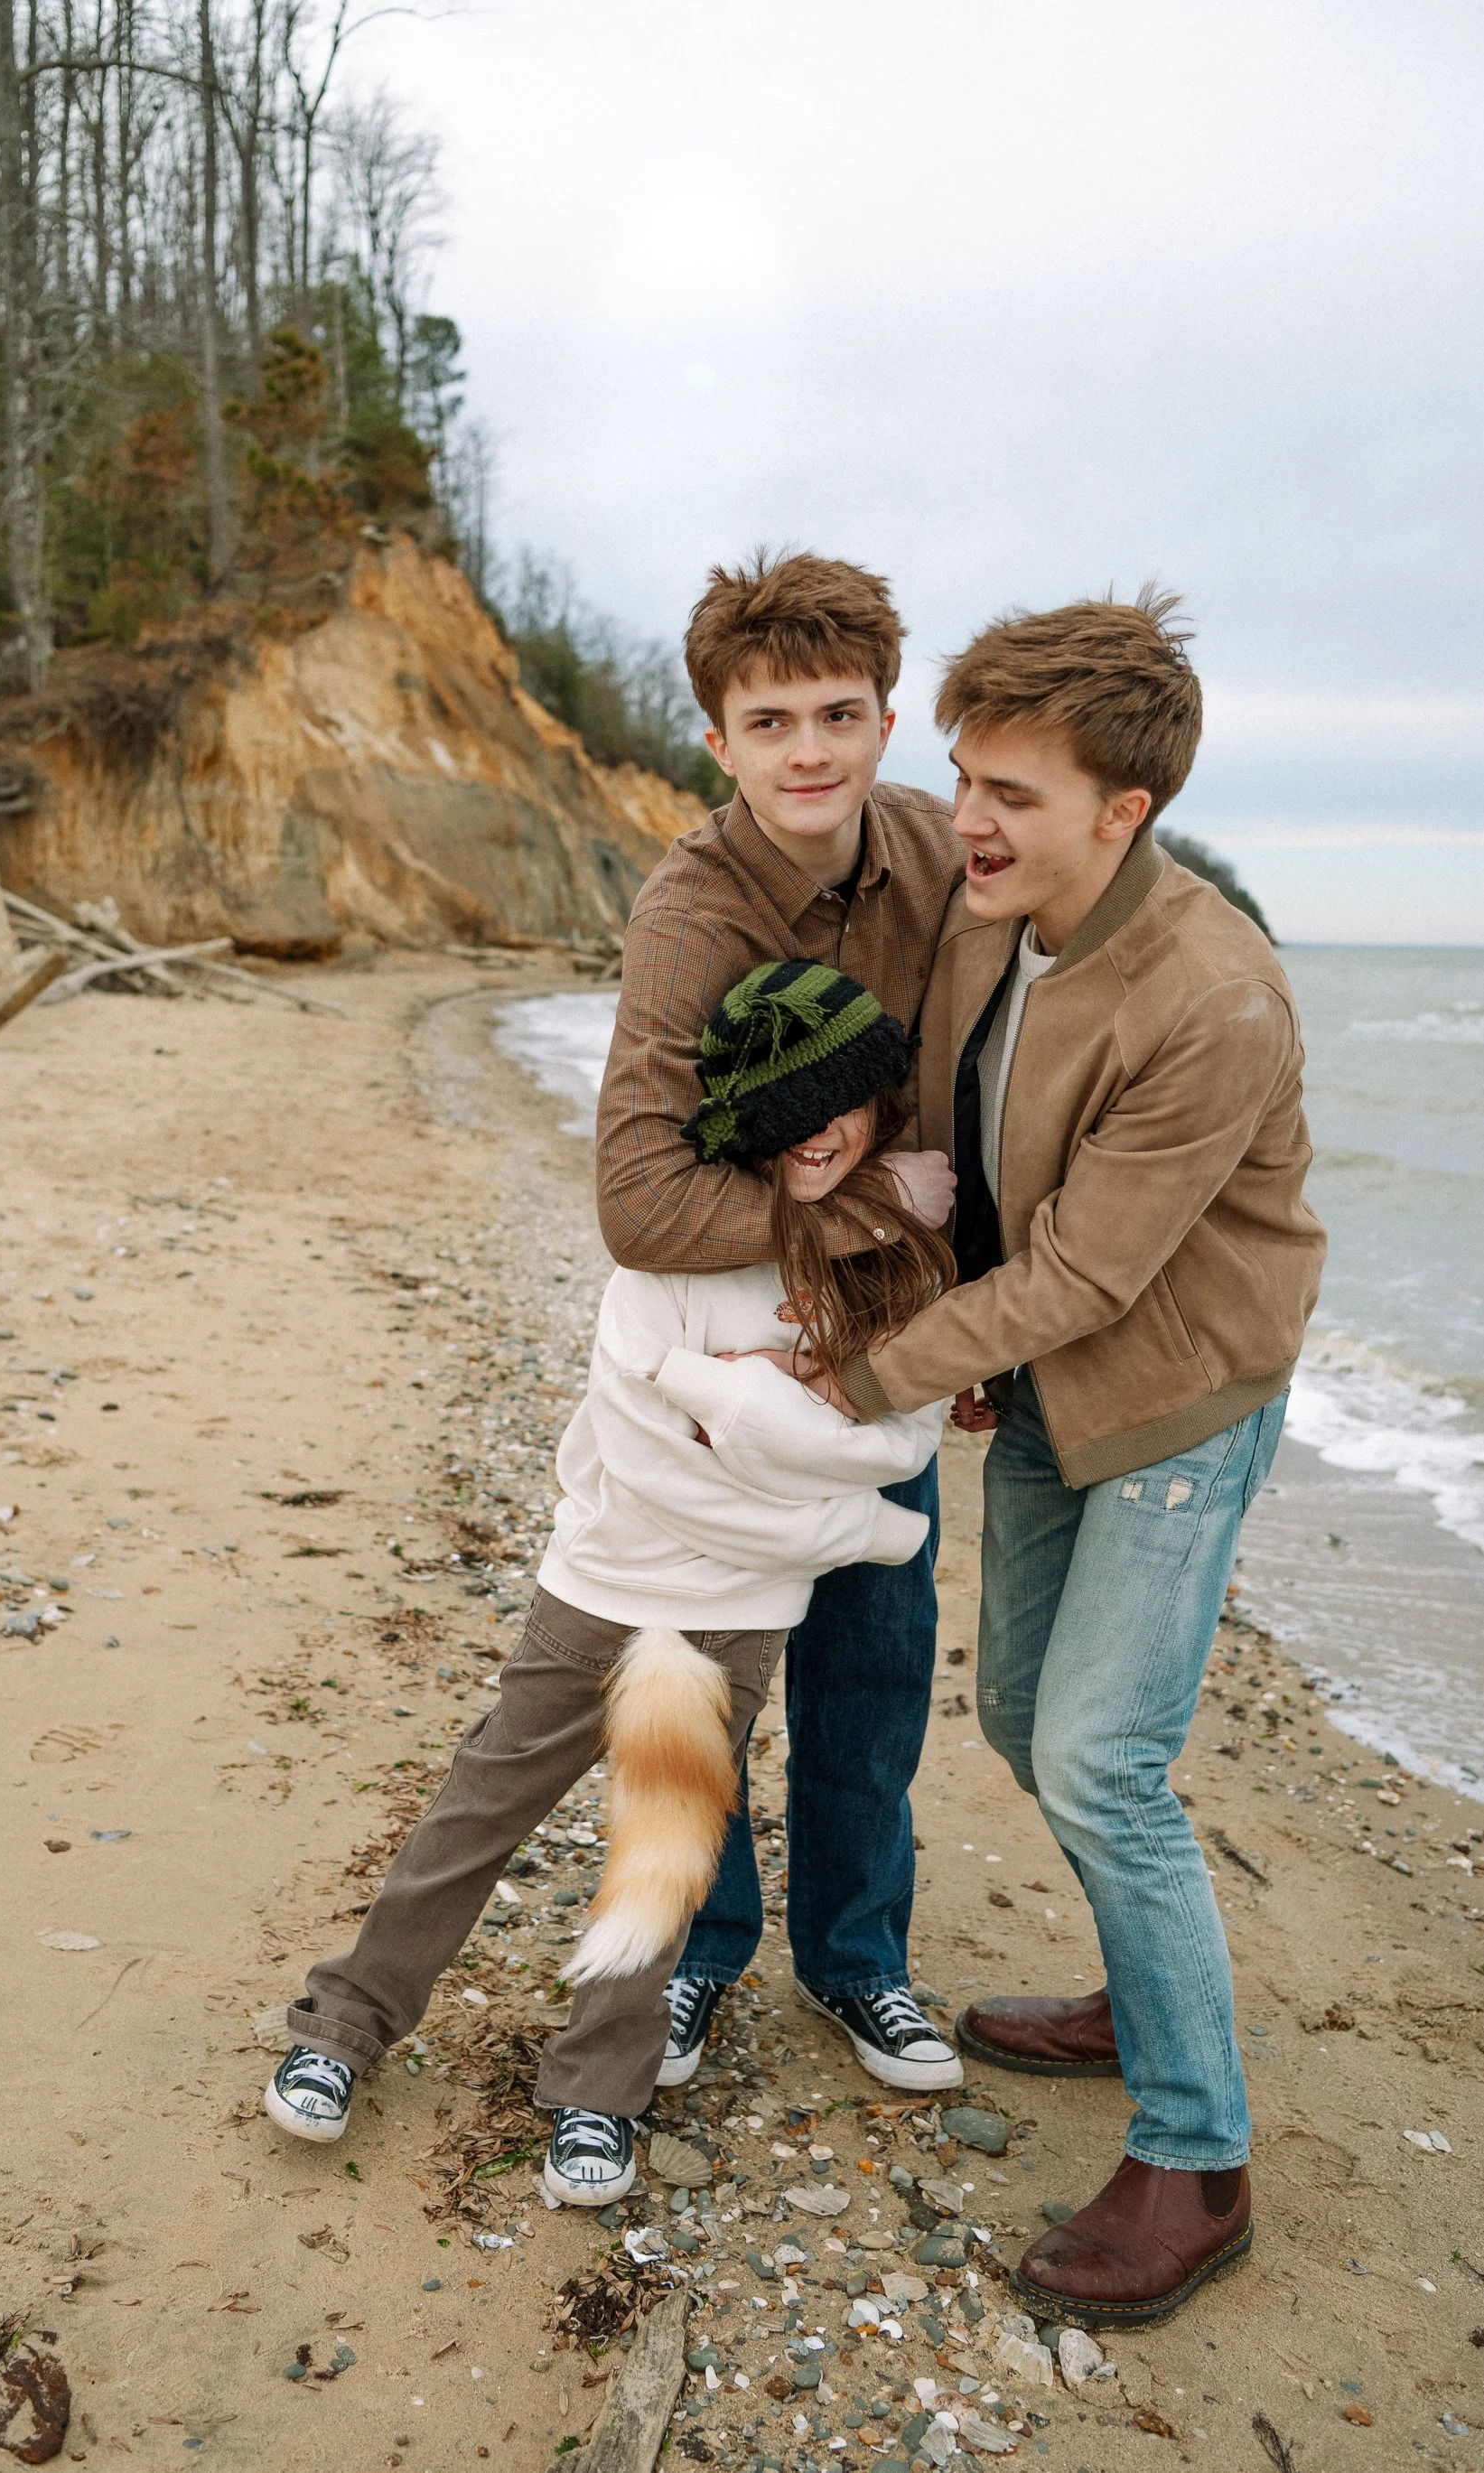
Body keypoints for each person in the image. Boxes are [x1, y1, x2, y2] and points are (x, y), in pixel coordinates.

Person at [775, 589, 1326, 2328]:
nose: (970, 819)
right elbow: (962, 1126)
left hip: (1175, 1397)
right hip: (1038, 1384)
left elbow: (1094, 1269)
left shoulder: (1216, 991)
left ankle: (1198, 2147)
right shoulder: (986, 907)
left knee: (1101, 1757)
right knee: (1026, 1718)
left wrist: (872, 1372)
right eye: (963, 776)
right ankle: (1139, 1994)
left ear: (1125, 810)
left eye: (1013, 789)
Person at [266, 961, 952, 2203]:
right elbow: (658, 1472)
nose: (815, 1133)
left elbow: (899, 1448)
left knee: (662, 1843)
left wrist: (739, 1414)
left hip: (742, 1615)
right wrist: (780, 1454)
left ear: (879, 1106)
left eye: (839, 1106)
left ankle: (597, 2091)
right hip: (606, 1581)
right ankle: (344, 2023)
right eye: (784, 1111)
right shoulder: (667, 1258)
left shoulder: (878, 1270)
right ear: (740, 1123)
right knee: (479, 1808)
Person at [599, 549, 969, 2097]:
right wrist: (879, 1201)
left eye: (839, 713)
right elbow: (634, 1196)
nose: (809, 750)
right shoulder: (691, 913)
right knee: (699, 1665)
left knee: (875, 1668)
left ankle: (858, 1963)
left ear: (889, 718)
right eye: (771, 722)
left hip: (892, 1354)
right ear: (720, 741)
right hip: (725, 1352)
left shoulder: (944, 859)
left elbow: (994, 1089)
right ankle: (695, 1955)